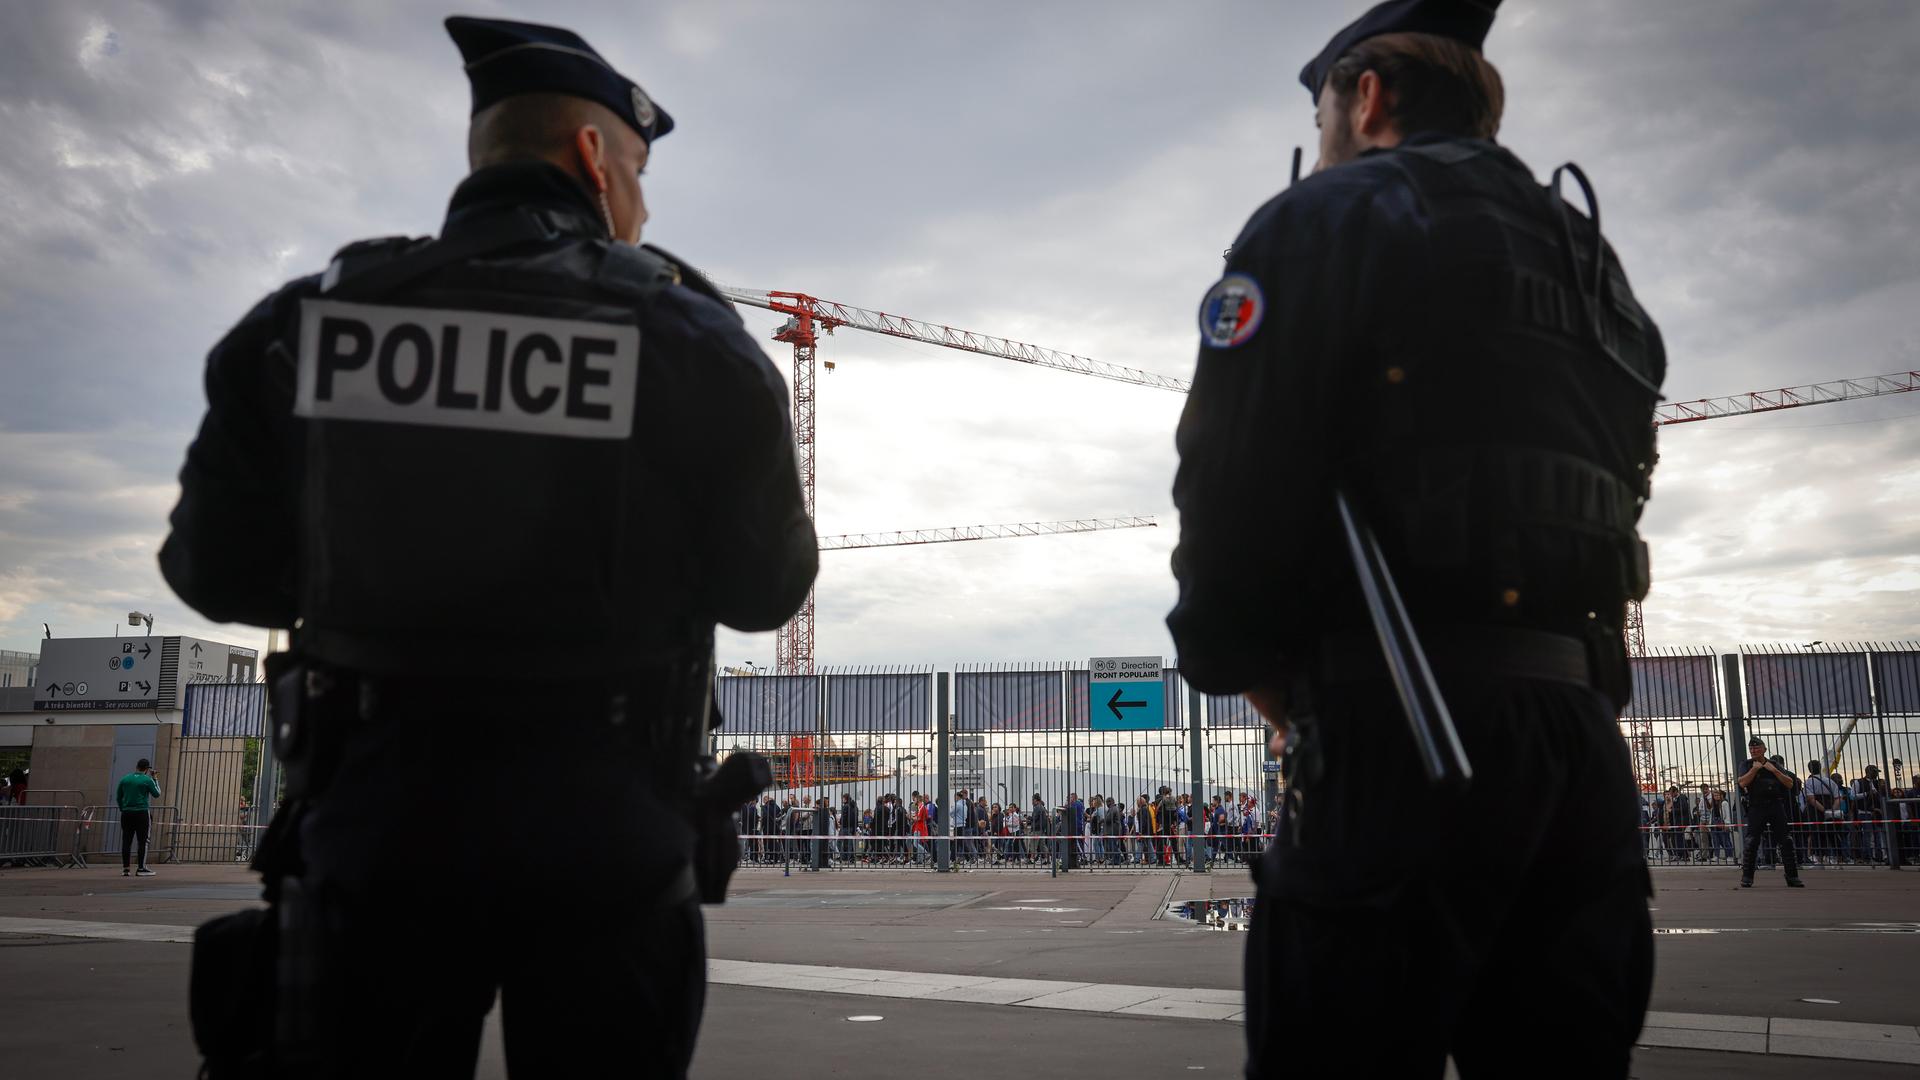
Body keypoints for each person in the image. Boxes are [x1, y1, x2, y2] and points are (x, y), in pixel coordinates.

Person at [158, 17, 816, 1077]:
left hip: (374, 837)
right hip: (609, 846)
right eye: (640, 173)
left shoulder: (309, 325)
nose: (644, 207)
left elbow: (210, 571)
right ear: (594, 158)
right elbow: (767, 590)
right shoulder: (686, 340)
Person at [1167, 1, 1667, 1073]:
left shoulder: (1322, 219)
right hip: (1577, 744)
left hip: (1396, 731)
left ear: (1368, 97)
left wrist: (1247, 669)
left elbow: (1229, 480)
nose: (1322, 139)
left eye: (1322, 115)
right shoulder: (1592, 261)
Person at [1738, 738, 1803, 887]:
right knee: (1751, 841)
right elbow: (1742, 782)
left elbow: (1789, 783)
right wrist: (1754, 769)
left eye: (1757, 748)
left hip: (1775, 805)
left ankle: (1792, 876)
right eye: (1751, 748)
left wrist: (1773, 770)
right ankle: (1747, 877)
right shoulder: (1746, 765)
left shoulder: (1774, 765)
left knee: (1786, 840)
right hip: (1756, 806)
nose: (1754, 751)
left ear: (1764, 749)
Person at [115, 759, 163, 877]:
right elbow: (157, 794)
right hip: (142, 812)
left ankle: (126, 869)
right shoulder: (147, 780)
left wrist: (123, 808)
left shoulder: (125, 779)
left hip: (126, 813)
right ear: (147, 769)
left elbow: (118, 796)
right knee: (143, 841)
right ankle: (141, 868)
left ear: (136, 766)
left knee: (126, 840)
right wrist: (155, 779)